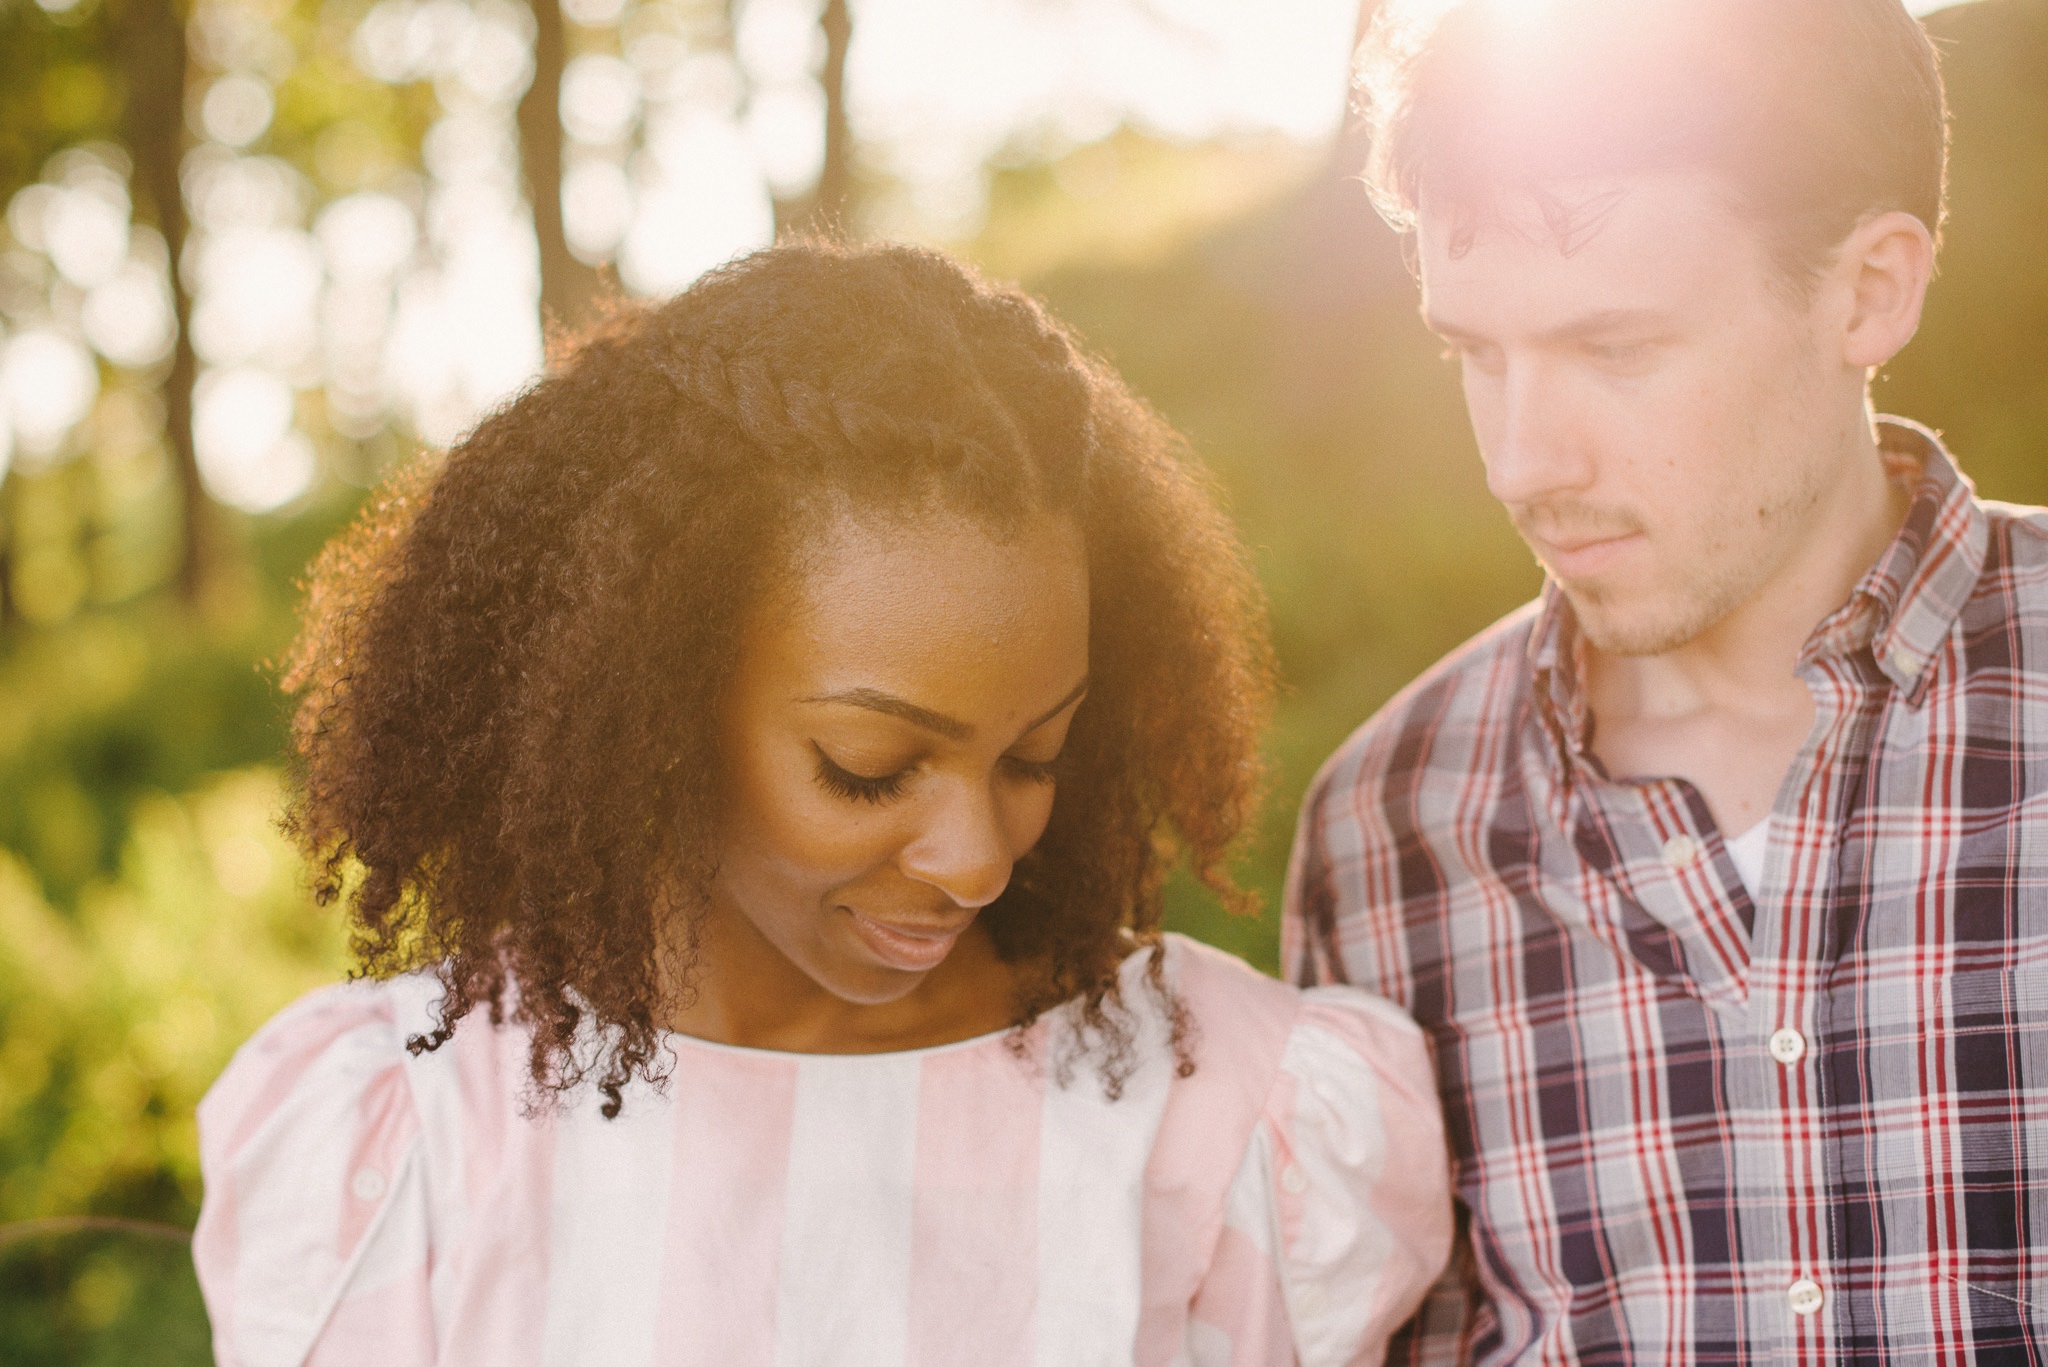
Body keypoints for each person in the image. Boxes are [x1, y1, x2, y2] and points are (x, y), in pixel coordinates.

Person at [193, 241, 1451, 1366]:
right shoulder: (407, 1131)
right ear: (660, 711)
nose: (974, 860)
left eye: (1033, 757)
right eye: (867, 765)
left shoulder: (1231, 1109)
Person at [1284, 0, 2048, 1361]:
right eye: (1476, 353)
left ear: (1870, 289)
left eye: (1617, 349)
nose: (1524, 463)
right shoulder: (1381, 836)